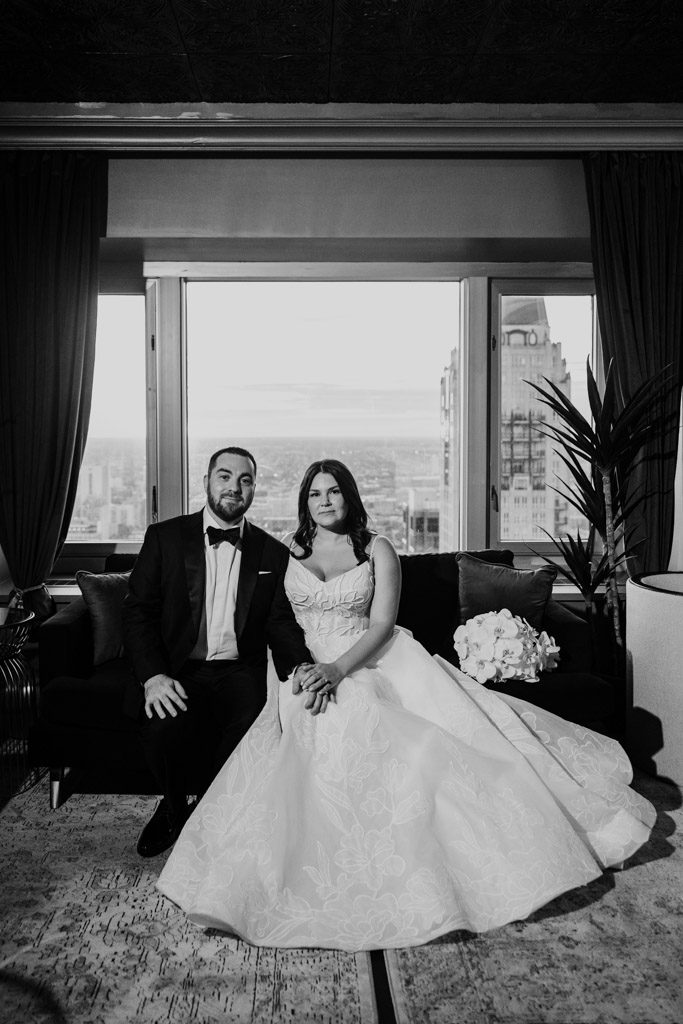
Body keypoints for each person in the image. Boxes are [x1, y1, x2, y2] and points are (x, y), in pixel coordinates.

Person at [156, 459, 655, 951]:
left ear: (349, 497)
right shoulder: (287, 550)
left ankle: (389, 857)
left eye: (333, 491)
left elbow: (380, 625)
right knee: (300, 724)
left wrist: (336, 671)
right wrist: (303, 668)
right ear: (304, 502)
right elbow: (275, 620)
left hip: (368, 659)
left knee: (360, 716)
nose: (324, 501)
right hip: (303, 665)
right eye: (315, 493)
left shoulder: (378, 549)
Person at [122, 446, 311, 858]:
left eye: (245, 480)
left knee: (250, 734)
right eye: (225, 476)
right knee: (161, 729)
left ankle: (213, 818)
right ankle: (173, 810)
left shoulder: (271, 552)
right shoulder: (165, 538)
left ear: (254, 489)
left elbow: (279, 623)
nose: (234, 487)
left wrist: (300, 668)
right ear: (206, 482)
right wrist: (153, 676)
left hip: (240, 670)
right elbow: (138, 613)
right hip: (178, 668)